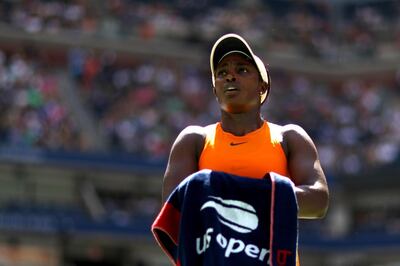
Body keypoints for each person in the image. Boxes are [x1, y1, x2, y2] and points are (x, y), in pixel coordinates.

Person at [161, 33, 329, 264]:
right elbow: (174, 214)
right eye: (221, 73)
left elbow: (319, 201)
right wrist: (262, 195)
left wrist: (235, 193)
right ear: (214, 89)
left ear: (262, 85)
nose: (230, 76)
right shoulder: (193, 141)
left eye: (242, 70)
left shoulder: (289, 137)